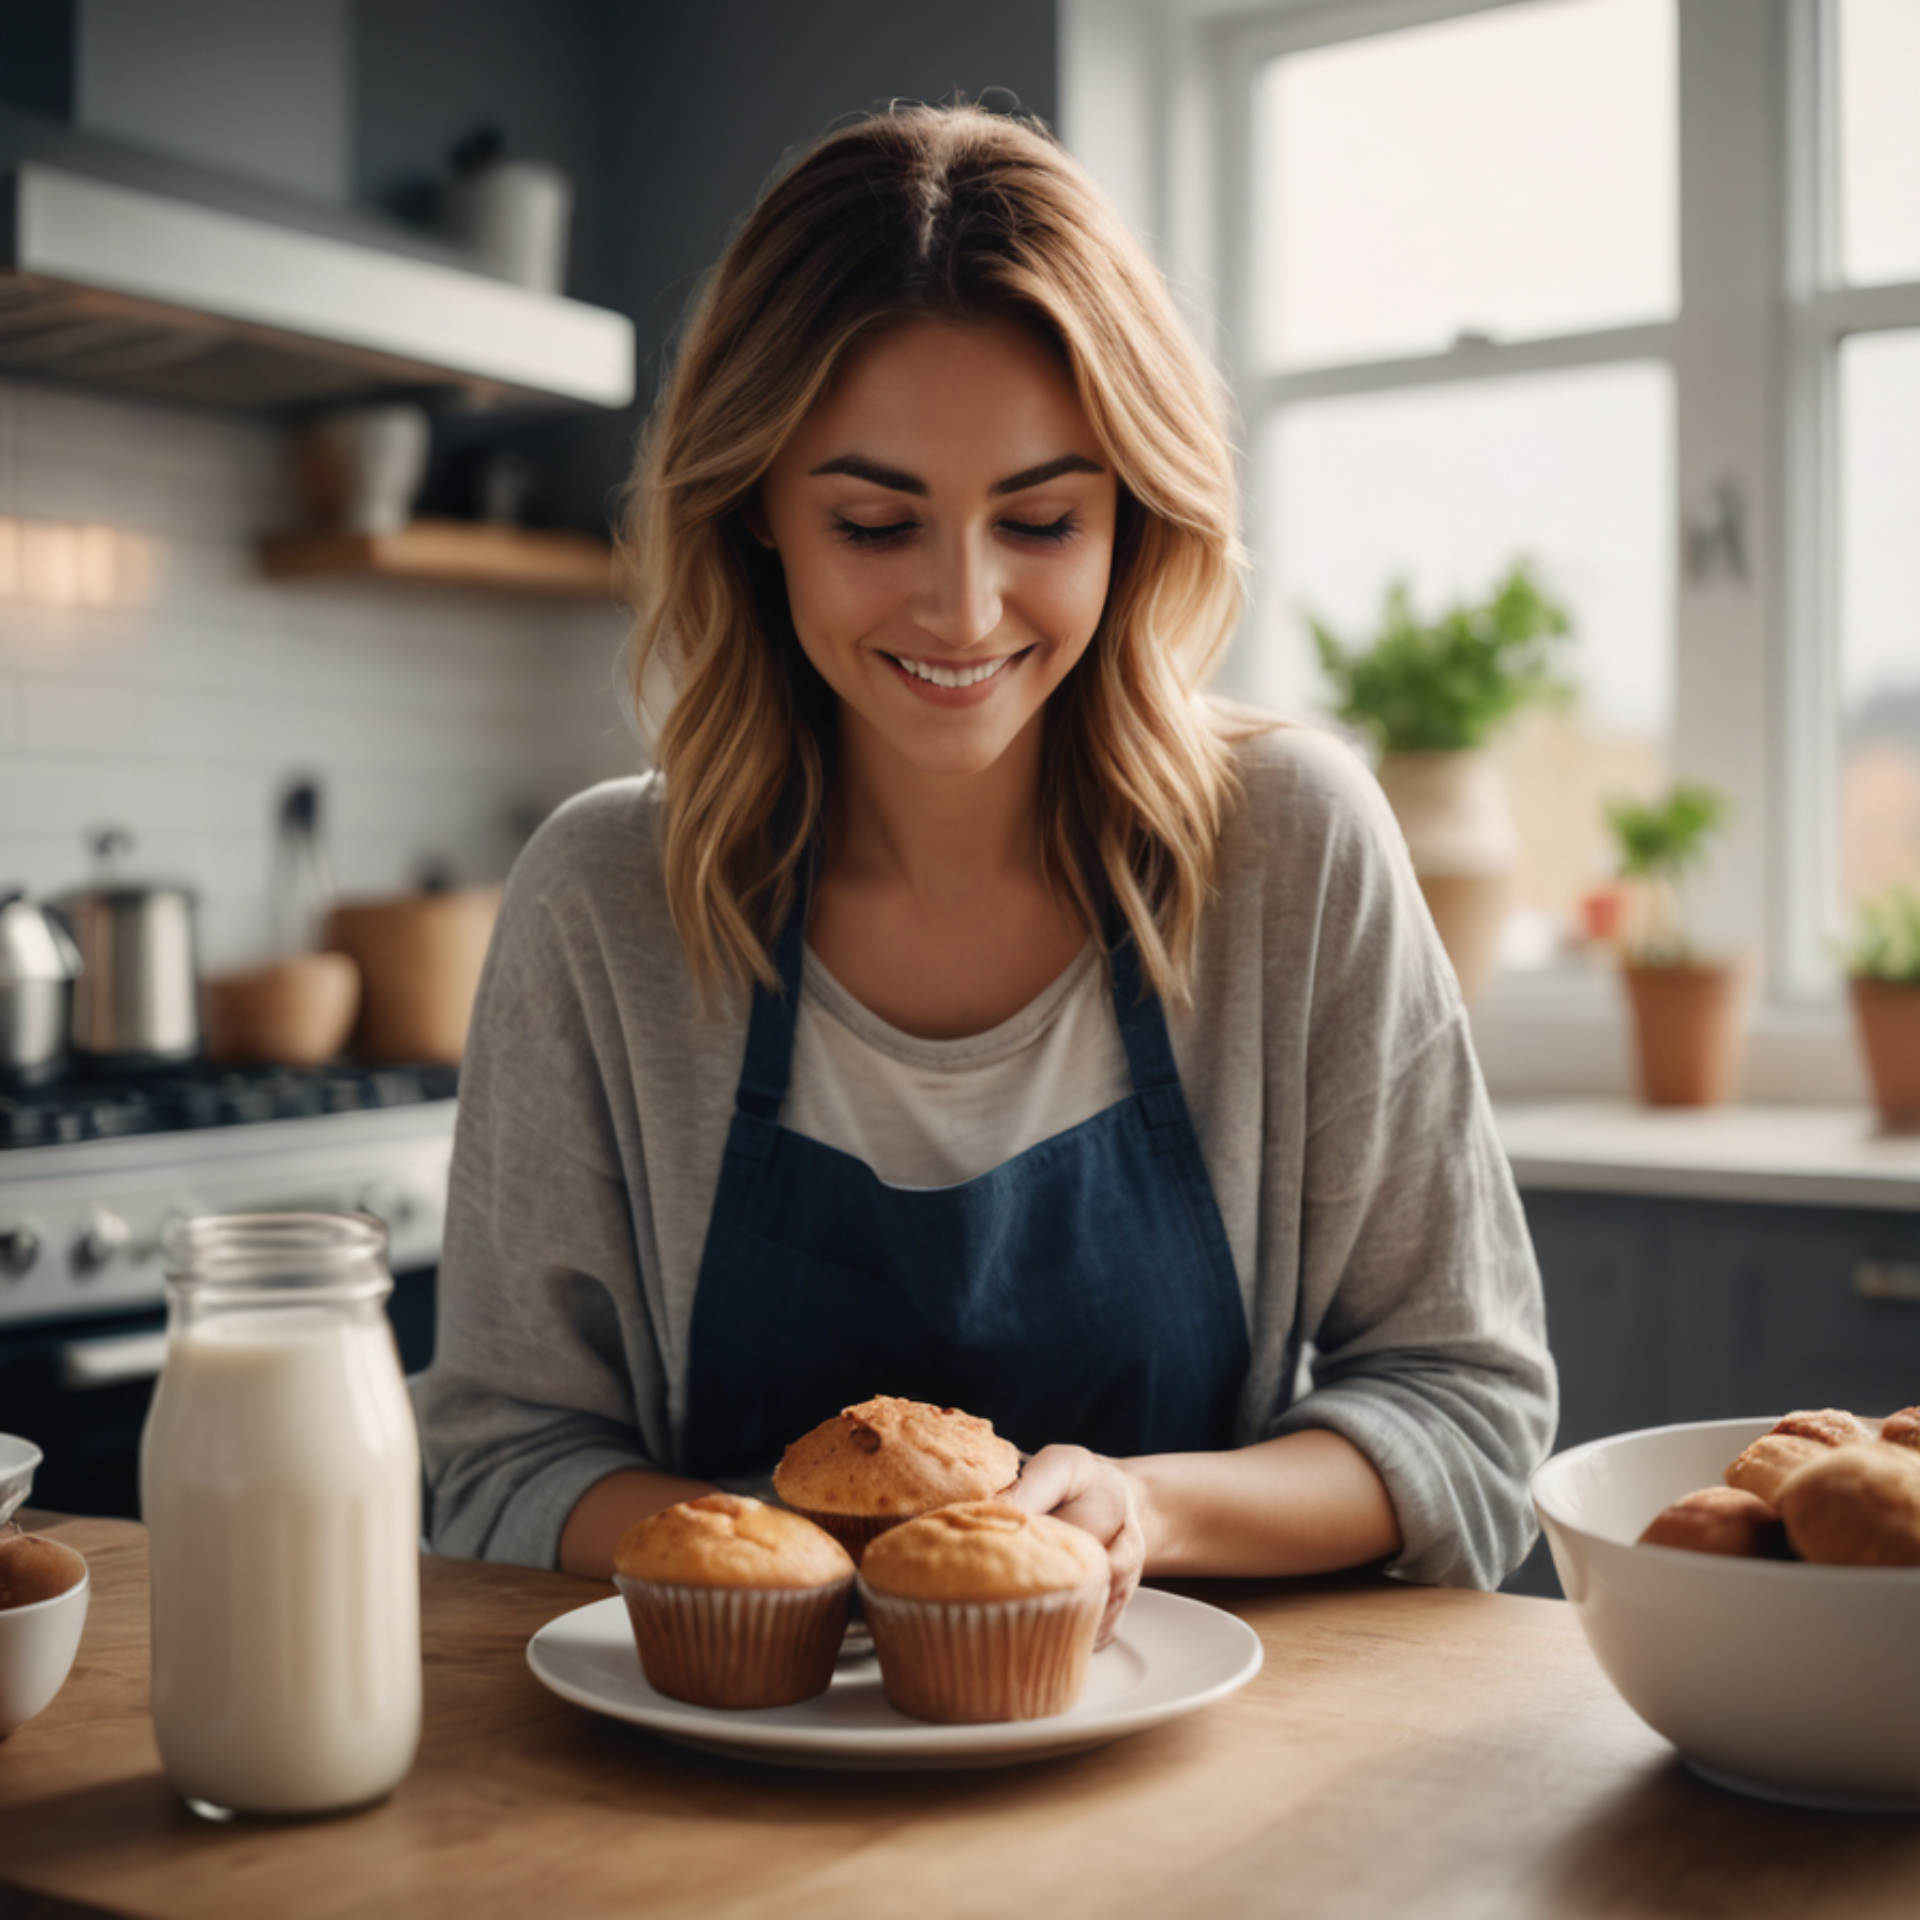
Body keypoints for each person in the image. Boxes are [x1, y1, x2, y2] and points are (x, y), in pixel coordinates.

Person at [413, 103, 1556, 1637]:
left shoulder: (1293, 849)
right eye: (878, 521)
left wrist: (1143, 1509)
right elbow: (497, 1462)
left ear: (1135, 518)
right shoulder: (603, 899)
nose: (963, 608)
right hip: (718, 1819)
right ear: (756, 506)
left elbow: (1469, 1417)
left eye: (1042, 518)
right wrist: (816, 1562)